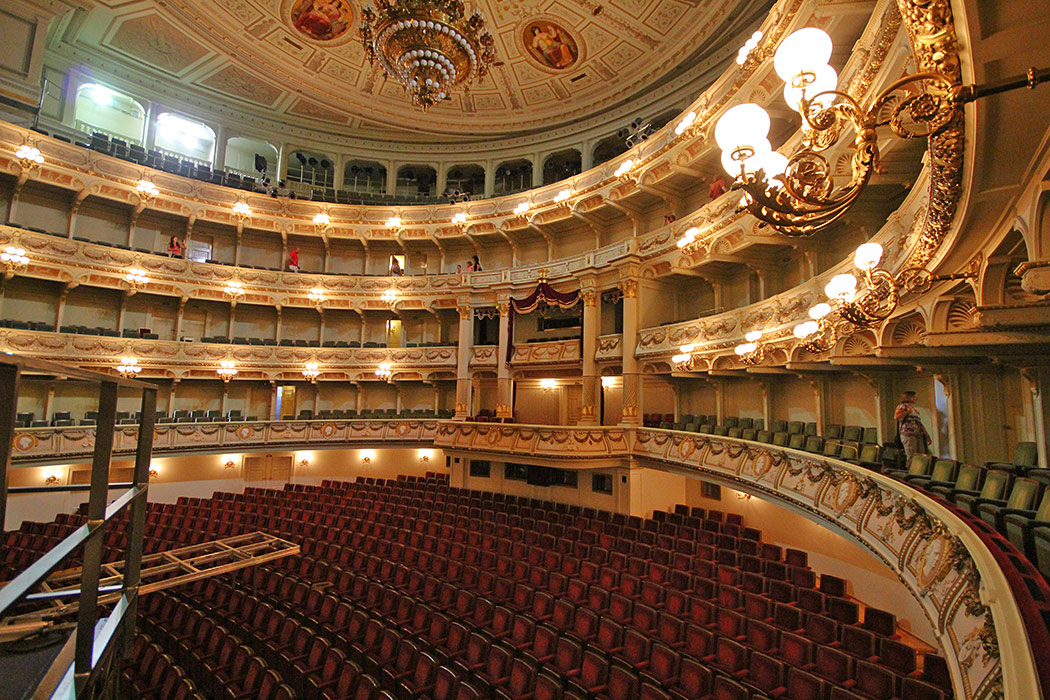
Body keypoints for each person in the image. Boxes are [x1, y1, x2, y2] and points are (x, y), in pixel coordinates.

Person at [894, 391, 929, 459]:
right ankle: (911, 468)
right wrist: (907, 412)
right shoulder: (902, 406)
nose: (916, 398)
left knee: (921, 456)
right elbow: (896, 417)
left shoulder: (913, 409)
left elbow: (919, 423)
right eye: (914, 397)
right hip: (908, 434)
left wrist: (926, 434)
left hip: (917, 434)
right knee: (912, 456)